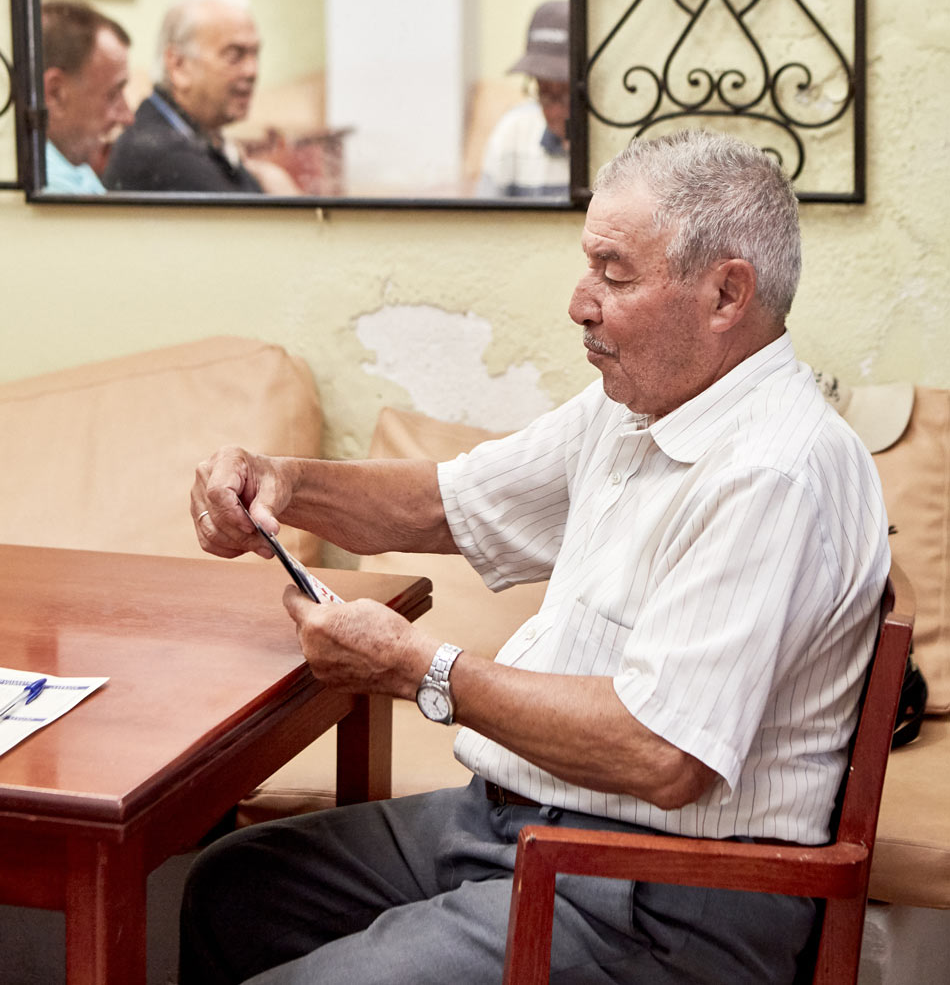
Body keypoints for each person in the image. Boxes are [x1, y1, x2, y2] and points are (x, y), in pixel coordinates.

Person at [183, 129, 890, 985]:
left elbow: (661, 756)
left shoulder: (774, 470)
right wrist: (286, 481)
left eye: (613, 272)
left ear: (725, 293)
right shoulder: (635, 408)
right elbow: (449, 503)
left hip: (662, 897)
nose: (579, 302)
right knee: (232, 886)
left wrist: (417, 668)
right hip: (522, 826)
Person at [104, 0, 295, 195]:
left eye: (255, 54)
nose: (252, 71)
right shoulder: (161, 152)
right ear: (178, 65)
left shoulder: (192, 134)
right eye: (234, 55)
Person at [477, 0, 571, 200]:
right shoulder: (513, 131)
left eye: (566, 95)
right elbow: (484, 224)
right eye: (544, 93)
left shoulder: (616, 142)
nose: (554, 111)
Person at [41, 0, 134, 194]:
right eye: (112, 95)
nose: (127, 116)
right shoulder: (50, 190)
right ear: (55, 93)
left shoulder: (75, 171)